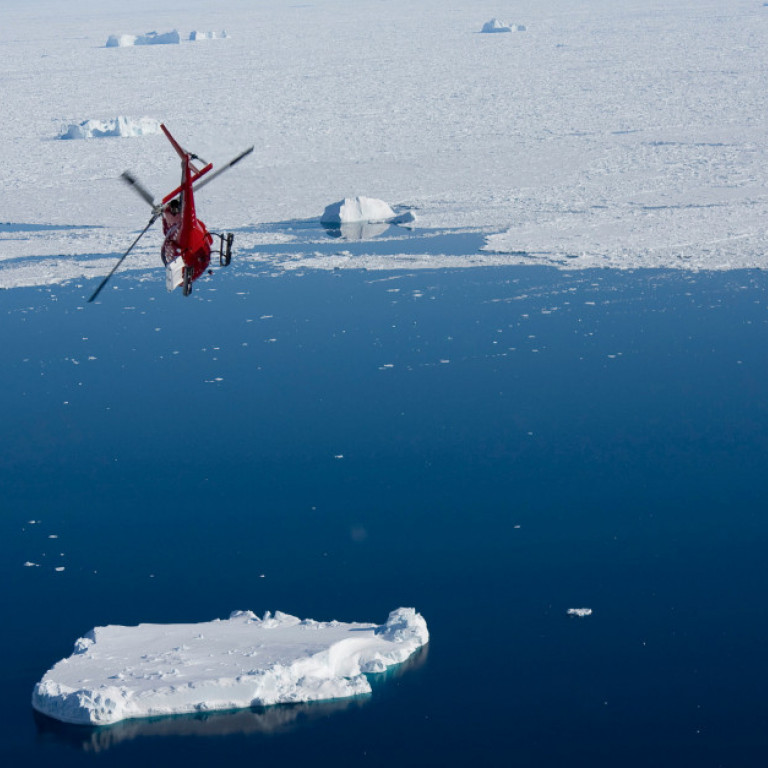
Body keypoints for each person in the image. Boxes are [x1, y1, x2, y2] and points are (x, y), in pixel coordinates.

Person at [160, 198, 182, 266]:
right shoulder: (168, 214)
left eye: (176, 209)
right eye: (173, 209)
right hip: (175, 238)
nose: (175, 211)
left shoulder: (182, 215)